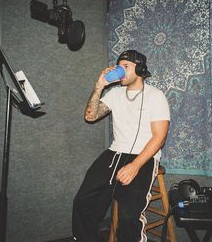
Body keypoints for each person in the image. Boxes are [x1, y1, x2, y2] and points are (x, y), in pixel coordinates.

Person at [70, 50, 170, 242]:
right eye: (119, 67)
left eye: (126, 67)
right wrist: (99, 86)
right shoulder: (115, 94)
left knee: (128, 215)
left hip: (144, 156)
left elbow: (159, 137)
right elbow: (90, 116)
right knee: (83, 202)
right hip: (115, 152)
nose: (120, 71)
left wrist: (135, 166)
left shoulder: (156, 96)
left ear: (140, 69)